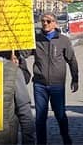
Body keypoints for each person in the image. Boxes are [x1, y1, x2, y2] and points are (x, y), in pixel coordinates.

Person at [28, 13, 79, 145]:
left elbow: (72, 60)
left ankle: (66, 138)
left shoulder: (63, 40)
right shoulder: (36, 39)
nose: (45, 23)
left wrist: (75, 79)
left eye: (48, 21)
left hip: (57, 85)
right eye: (43, 21)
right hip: (40, 84)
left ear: (55, 23)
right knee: (40, 117)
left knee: (60, 114)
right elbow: (25, 53)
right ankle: (41, 142)